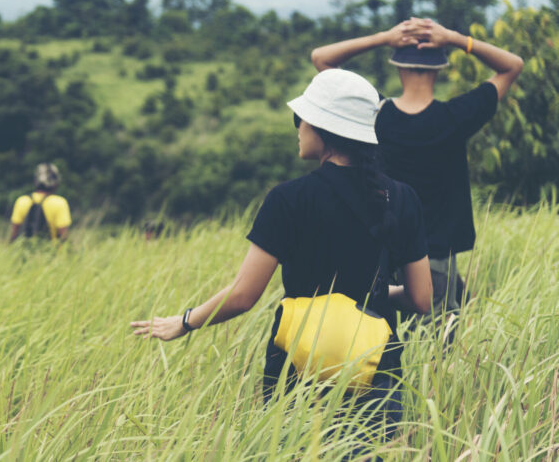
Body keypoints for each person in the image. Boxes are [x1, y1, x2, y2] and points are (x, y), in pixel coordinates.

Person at [131, 69, 432, 433]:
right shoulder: (402, 198)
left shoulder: (288, 199)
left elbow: (243, 296)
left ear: (323, 127)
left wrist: (183, 322)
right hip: (375, 362)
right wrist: (376, 293)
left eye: (300, 118)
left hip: (298, 363)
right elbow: (421, 299)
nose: (298, 128)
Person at [311, 18, 523, 320]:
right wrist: (455, 38)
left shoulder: (376, 115)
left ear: (398, 66)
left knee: (382, 337)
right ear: (440, 69)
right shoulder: (456, 117)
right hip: (436, 260)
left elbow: (321, 58)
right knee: (437, 342)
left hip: (381, 256)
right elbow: (513, 65)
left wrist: (384, 37)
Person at [8, 163, 72, 243]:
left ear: (35, 181)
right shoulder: (60, 203)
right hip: (50, 250)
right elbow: (64, 237)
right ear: (56, 183)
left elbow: (14, 234)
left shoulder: (22, 201)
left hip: (24, 250)